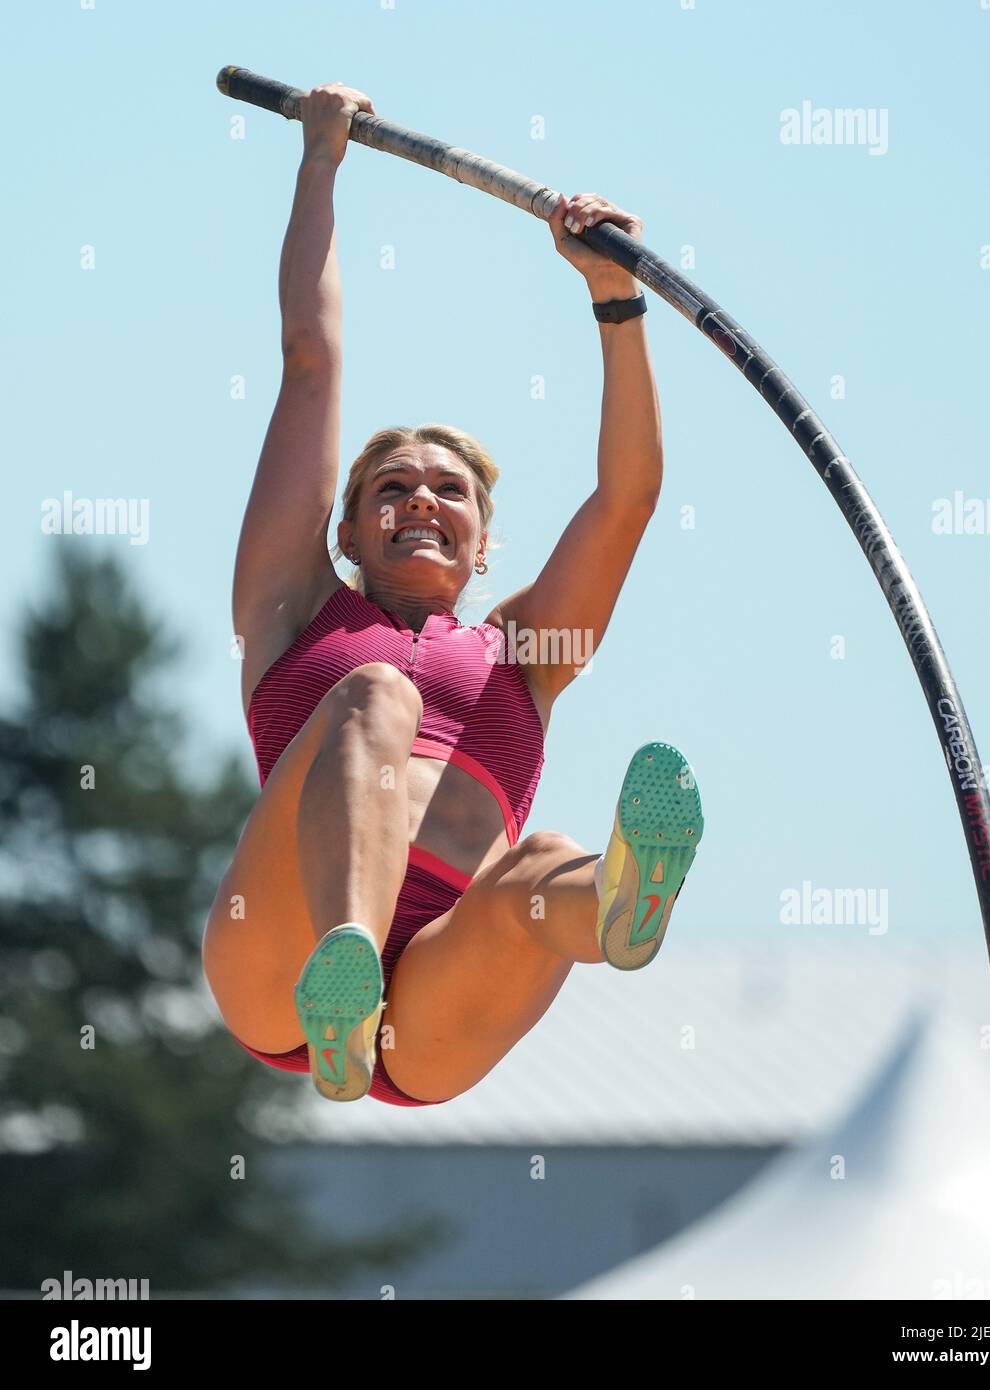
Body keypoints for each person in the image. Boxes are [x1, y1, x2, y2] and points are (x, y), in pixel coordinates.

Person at [202, 80, 704, 1106]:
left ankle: (619, 904)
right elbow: (311, 361)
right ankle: (345, 964)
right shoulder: (295, 609)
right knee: (377, 693)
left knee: (553, 862)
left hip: (437, 989)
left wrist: (615, 298)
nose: (421, 500)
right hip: (285, 955)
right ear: (344, 532)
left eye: (450, 489)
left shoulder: (522, 649)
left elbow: (628, 497)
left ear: (485, 546)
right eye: (390, 489)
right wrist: (319, 162)